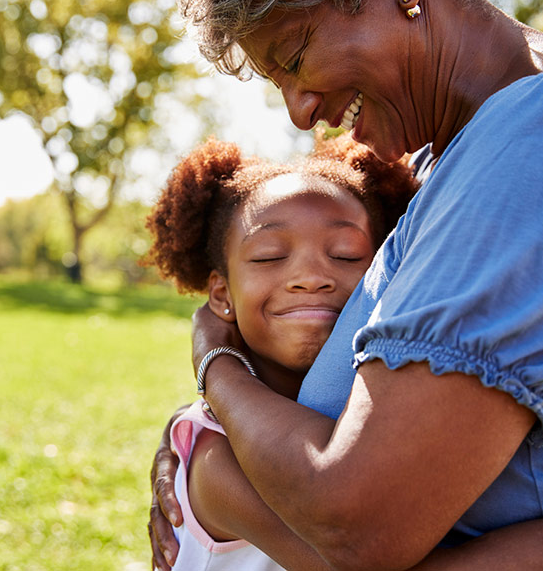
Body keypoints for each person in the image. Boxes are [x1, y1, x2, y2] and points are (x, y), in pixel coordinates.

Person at [148, 0, 543, 569]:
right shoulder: (436, 167)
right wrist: (200, 435)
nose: (298, 112)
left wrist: (212, 361)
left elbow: (356, 525)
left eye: (293, 57)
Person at [144, 134, 417, 570]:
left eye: (346, 255)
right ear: (221, 292)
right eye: (270, 256)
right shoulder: (218, 457)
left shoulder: (377, 405)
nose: (310, 277)